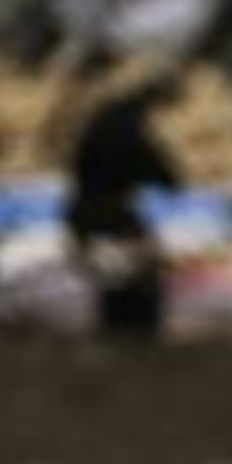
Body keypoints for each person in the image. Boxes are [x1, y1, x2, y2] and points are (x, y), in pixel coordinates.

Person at [67, 89, 180, 338]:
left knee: (117, 281)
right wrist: (168, 177)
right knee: (133, 280)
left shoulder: (100, 130)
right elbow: (156, 170)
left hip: (88, 213)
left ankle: (119, 328)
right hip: (109, 215)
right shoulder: (124, 132)